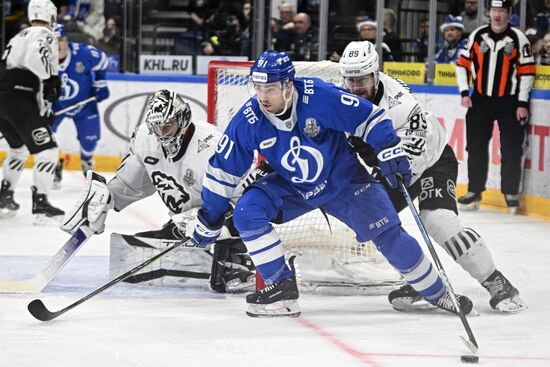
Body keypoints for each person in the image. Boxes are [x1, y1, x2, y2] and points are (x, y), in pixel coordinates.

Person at [186, 49, 474, 318]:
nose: (263, 96)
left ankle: (437, 293)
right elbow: (221, 173)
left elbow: (369, 117)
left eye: (270, 89)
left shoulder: (318, 96)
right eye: (258, 88)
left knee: (388, 234)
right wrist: (209, 218)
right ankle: (281, 291)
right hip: (292, 187)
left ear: (288, 86)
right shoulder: (248, 119)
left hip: (344, 181)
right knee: (247, 212)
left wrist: (388, 149)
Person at [339, 40, 526, 313]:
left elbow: (418, 146)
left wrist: (394, 165)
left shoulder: (399, 102)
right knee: (375, 222)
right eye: (351, 80)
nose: (356, 88)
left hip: (431, 161)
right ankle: (421, 280)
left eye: (362, 80)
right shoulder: (341, 95)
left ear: (375, 75)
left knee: (438, 220)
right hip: (386, 166)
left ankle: (496, 282)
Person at [60, 89, 255, 293]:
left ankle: (242, 260)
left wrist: (214, 222)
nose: (161, 134)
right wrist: (105, 200)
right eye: (156, 127)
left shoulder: (211, 146)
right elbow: (132, 182)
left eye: (167, 127)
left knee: (221, 279)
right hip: (184, 222)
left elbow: (244, 200)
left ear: (183, 120)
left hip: (219, 217)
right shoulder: (146, 137)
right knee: (134, 253)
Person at [456, 0, 535, 213]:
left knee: (511, 148)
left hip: (509, 102)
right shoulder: (477, 35)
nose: (497, 14)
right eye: (494, 10)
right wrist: (465, 92)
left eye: (502, 10)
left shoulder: (519, 38)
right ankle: (474, 191)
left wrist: (522, 103)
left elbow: (527, 72)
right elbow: (462, 65)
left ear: (509, 14)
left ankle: (510, 193)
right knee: (475, 146)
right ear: (489, 12)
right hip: (480, 99)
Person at [0, 0, 65, 224]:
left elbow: (6, 65)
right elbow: (36, 60)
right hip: (21, 101)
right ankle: (41, 204)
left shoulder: (19, 35)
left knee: (17, 150)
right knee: (48, 151)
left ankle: (4, 196)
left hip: (4, 98)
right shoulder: (45, 34)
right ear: (50, 15)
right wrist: (52, 80)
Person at [50, 23, 110, 186]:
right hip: (56, 106)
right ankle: (54, 163)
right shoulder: (42, 58)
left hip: (85, 104)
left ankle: (86, 161)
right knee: (45, 135)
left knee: (89, 139)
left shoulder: (83, 53)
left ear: (66, 40)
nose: (58, 44)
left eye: (60, 40)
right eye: (53, 40)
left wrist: (100, 83)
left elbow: (103, 61)